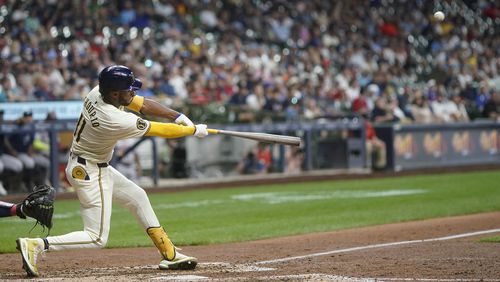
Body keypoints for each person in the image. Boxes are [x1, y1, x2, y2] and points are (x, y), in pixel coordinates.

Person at [16, 65, 208, 277]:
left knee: (138, 197)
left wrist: (177, 116)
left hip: (91, 164)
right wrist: (191, 130)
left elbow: (141, 104)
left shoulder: (97, 92)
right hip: (89, 170)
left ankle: (170, 254)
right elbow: (158, 129)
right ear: (115, 93)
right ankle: (37, 244)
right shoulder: (114, 119)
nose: (133, 92)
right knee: (96, 238)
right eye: (129, 89)